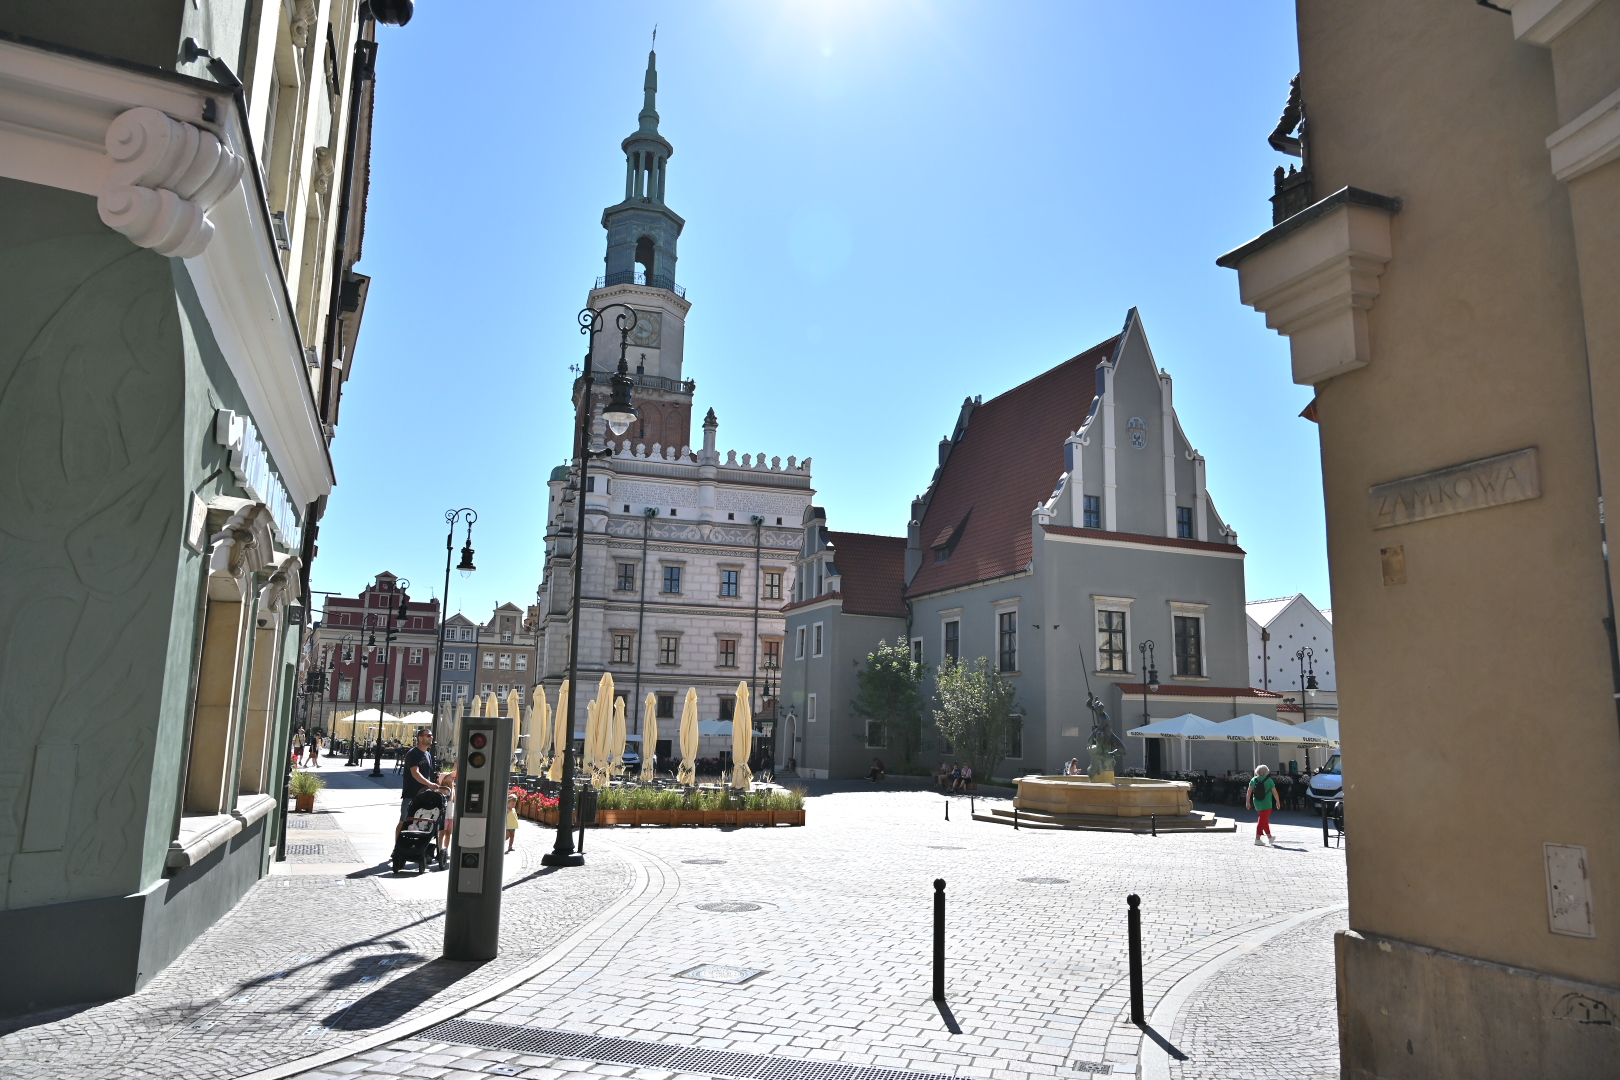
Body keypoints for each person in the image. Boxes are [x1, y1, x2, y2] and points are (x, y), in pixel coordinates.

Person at [397, 728, 449, 842]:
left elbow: (428, 775)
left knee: (421, 822)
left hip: (424, 795)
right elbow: (415, 773)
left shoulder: (428, 754)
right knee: (404, 820)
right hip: (411, 793)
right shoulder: (413, 753)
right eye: (428, 735)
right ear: (420, 738)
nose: (431, 738)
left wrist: (437, 783)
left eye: (431, 736)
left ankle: (415, 846)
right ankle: (397, 847)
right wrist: (429, 784)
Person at [1247, 763, 1277, 846]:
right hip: (1267, 803)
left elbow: (1249, 791)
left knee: (1264, 819)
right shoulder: (1269, 780)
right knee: (1262, 820)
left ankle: (1270, 837)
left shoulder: (1254, 780)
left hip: (1257, 802)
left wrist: (1248, 802)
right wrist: (1278, 801)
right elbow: (1275, 792)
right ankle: (1257, 839)